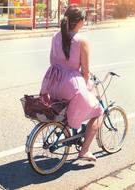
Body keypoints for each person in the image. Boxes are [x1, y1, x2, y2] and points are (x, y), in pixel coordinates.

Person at [40, 5, 103, 162]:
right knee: (97, 111)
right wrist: (87, 88)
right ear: (81, 21)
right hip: (71, 86)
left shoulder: (55, 36)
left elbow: (52, 61)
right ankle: (85, 151)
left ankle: (69, 128)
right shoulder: (81, 41)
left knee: (68, 108)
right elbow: (85, 72)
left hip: (53, 83)